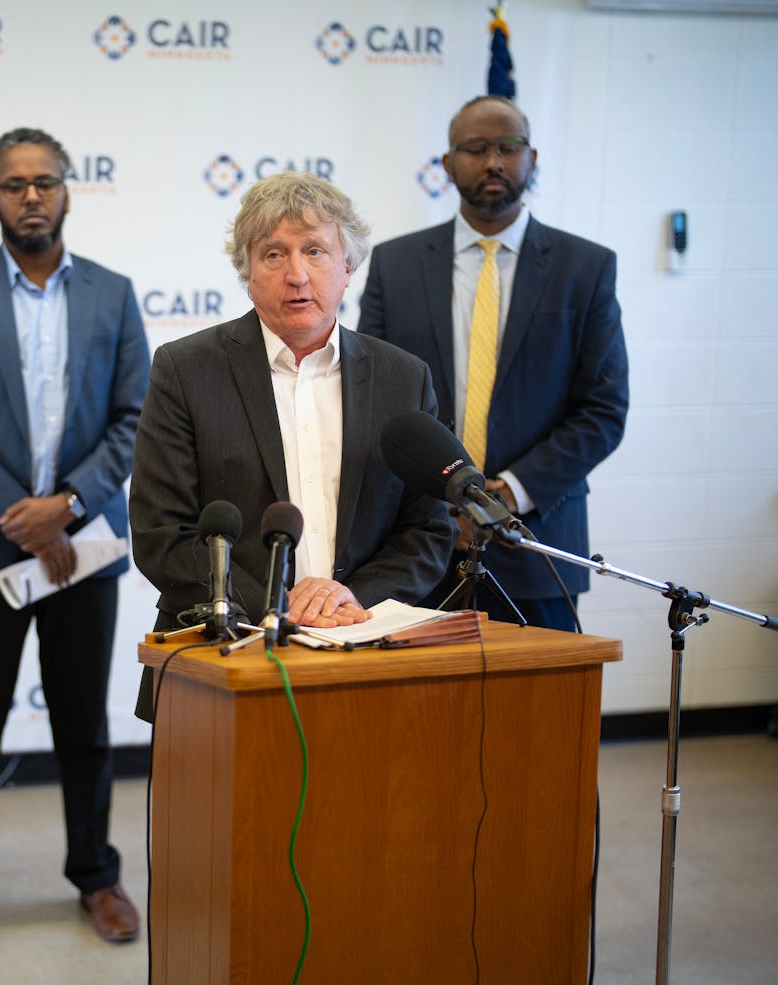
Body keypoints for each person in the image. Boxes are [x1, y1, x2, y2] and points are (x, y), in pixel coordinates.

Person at [0, 127, 151, 959]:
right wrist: (24, 511)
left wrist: (71, 503)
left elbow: (135, 417)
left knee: (84, 721)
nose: (32, 196)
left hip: (81, 549)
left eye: (46, 181)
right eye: (15, 184)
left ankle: (96, 873)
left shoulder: (113, 295)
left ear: (69, 192)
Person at [130, 171, 453, 718]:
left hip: (367, 648)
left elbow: (427, 530)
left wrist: (351, 600)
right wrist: (279, 610)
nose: (297, 274)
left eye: (316, 251)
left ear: (348, 268)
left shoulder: (405, 378)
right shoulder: (186, 369)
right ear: (248, 273)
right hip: (226, 655)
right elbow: (163, 532)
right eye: (274, 255)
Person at [358, 96, 629, 631]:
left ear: (532, 158)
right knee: (417, 714)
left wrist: (500, 497)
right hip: (418, 546)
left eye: (509, 147)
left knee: (539, 713)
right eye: (477, 148)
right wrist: (446, 503)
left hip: (539, 545)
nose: (494, 163)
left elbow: (602, 410)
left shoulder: (586, 268)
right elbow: (373, 396)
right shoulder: (396, 263)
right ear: (447, 163)